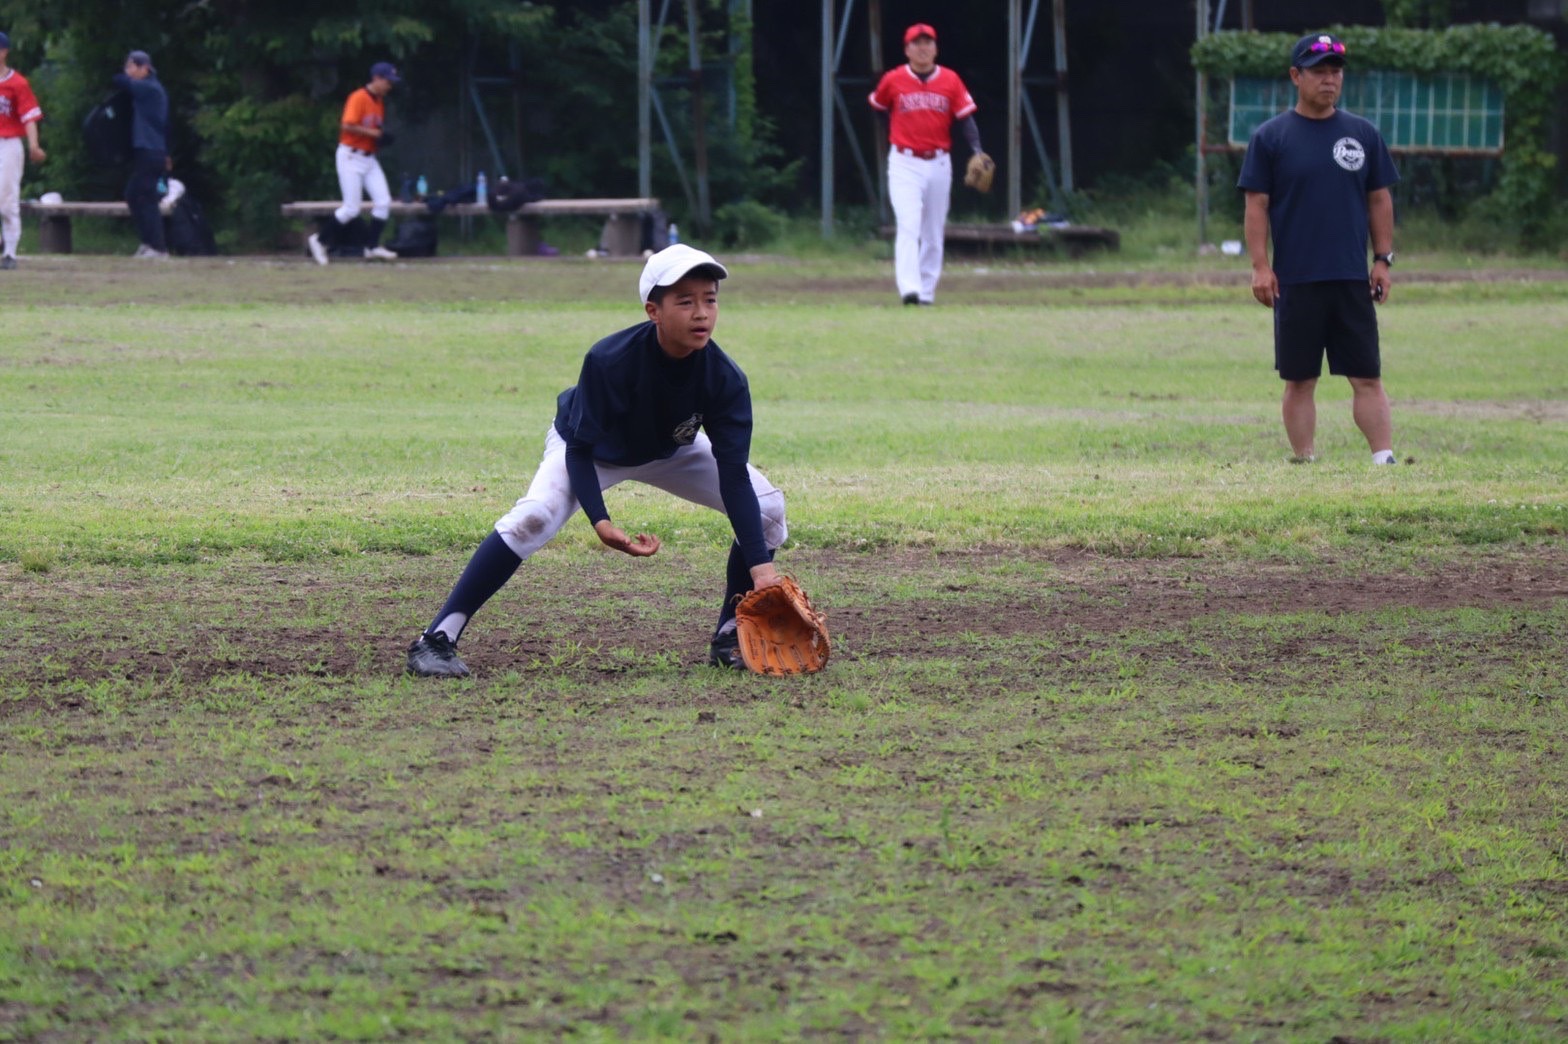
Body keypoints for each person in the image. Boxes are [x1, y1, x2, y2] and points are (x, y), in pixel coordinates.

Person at [405, 243, 789, 678]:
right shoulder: (611, 359)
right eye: (685, 301)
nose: (701, 313)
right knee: (535, 516)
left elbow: (733, 476)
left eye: (710, 299)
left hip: (669, 448)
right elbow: (581, 448)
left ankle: (729, 636)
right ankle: (436, 639)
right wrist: (601, 521)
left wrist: (763, 572)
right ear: (653, 311)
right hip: (592, 450)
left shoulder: (725, 379)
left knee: (767, 508)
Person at [1238, 33, 1400, 466]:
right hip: (1296, 279)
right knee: (1299, 378)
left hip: (1350, 276)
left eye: (1335, 71)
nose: (1329, 80)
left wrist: (1382, 259)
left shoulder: (1362, 134)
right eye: (1319, 71)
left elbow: (1379, 199)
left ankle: (1384, 460)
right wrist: (1260, 266)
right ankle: (1306, 461)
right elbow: (1257, 203)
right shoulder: (1271, 137)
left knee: (1367, 375)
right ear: (1296, 76)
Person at [868, 22, 984, 307]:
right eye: (917, 43)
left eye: (928, 43)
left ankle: (927, 293)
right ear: (907, 50)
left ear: (935, 48)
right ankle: (910, 290)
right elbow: (878, 108)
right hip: (904, 162)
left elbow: (965, 118)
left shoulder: (950, 80)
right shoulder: (893, 79)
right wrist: (896, 134)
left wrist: (977, 150)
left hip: (939, 163)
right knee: (908, 225)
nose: (923, 48)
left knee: (933, 231)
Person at [309, 62, 401, 265]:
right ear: (376, 78)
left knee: (383, 201)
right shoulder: (358, 97)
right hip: (350, 156)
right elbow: (347, 124)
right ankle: (319, 240)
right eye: (387, 81)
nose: (389, 86)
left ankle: (372, 247)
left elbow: (373, 130)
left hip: (369, 158)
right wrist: (374, 133)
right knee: (351, 208)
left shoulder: (379, 102)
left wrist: (380, 138)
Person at [113, 50, 169, 259]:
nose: (127, 72)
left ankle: (158, 247)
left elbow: (120, 81)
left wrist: (123, 77)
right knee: (133, 194)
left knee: (146, 197)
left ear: (144, 68)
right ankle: (148, 242)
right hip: (147, 149)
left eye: (131, 67)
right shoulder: (148, 88)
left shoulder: (149, 88)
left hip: (151, 149)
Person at [0, 31, 45, 271]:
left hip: (8, 143)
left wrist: (34, 145)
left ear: (4, 51)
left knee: (6, 200)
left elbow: (29, 117)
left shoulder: (18, 83)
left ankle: (9, 252)